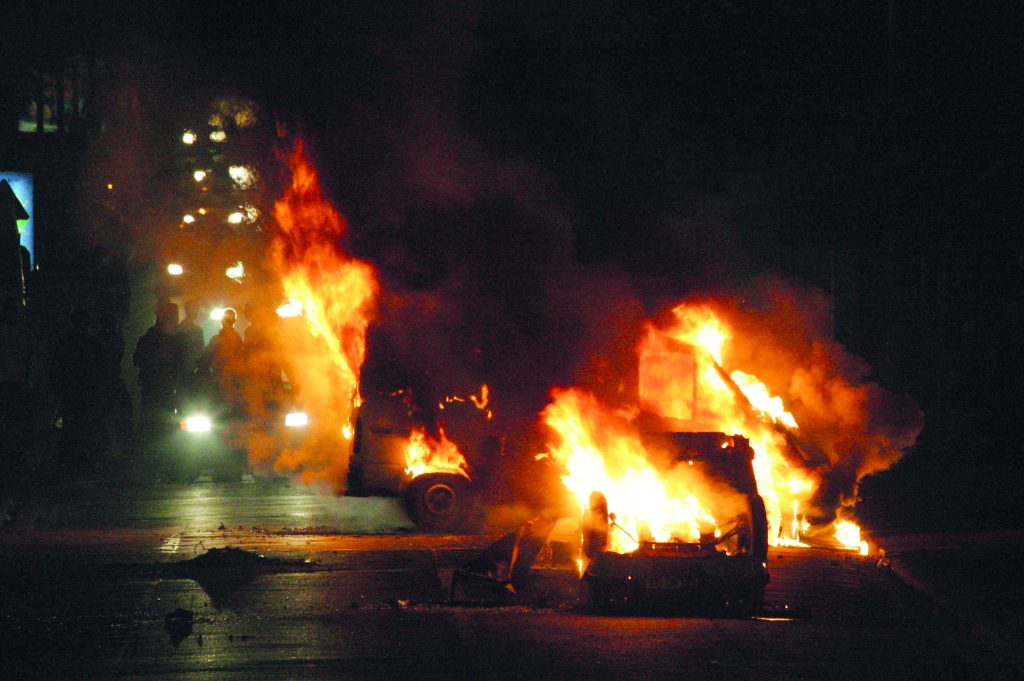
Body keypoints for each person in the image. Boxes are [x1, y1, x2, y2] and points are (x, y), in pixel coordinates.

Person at [133, 301, 182, 441]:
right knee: (160, 417)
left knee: (155, 416)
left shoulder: (152, 336)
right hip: (160, 384)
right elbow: (138, 360)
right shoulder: (165, 337)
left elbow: (137, 360)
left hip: (157, 384)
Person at [200, 308, 244, 405]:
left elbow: (205, 358)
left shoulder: (217, 339)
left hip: (222, 380)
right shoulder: (237, 339)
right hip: (229, 380)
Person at [176, 299, 205, 393]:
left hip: (187, 372)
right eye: (194, 309)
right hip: (186, 372)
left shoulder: (181, 328)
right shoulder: (194, 330)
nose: (196, 311)